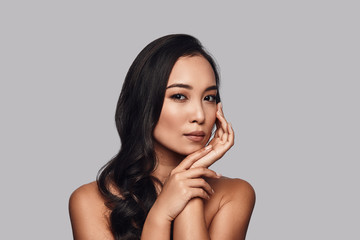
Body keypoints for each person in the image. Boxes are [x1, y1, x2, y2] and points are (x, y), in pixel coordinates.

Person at [69, 34, 255, 240]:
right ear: (145, 103)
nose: (200, 115)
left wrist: (190, 180)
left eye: (209, 98)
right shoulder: (90, 201)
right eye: (179, 96)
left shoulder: (234, 195)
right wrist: (161, 214)